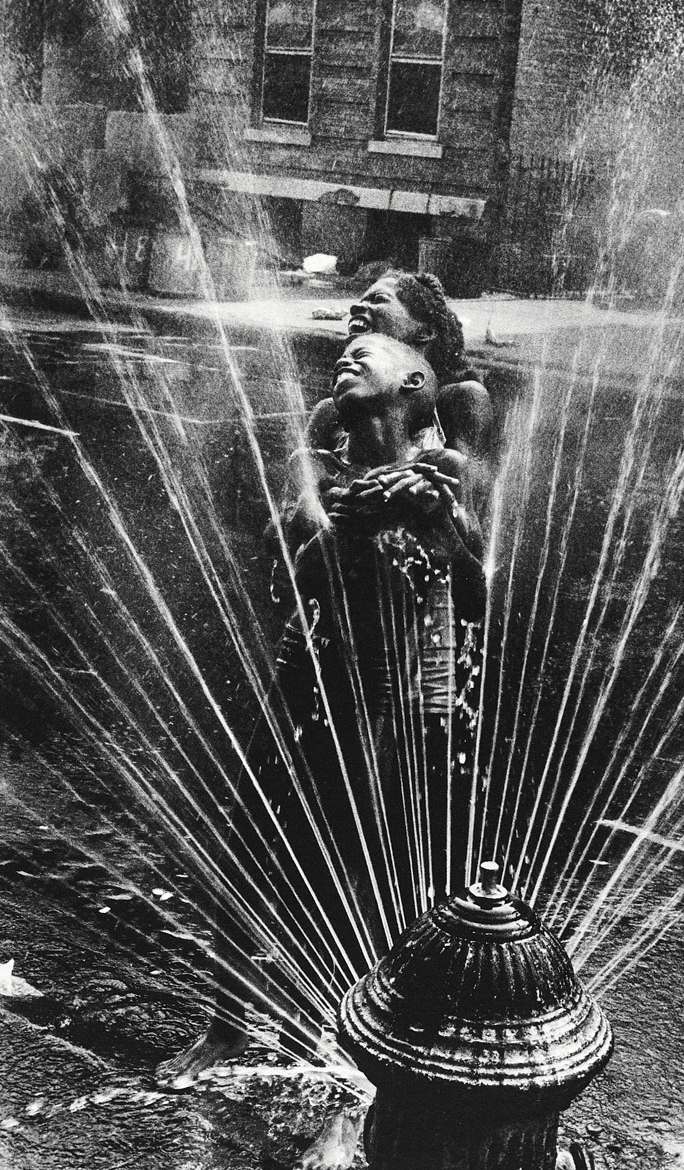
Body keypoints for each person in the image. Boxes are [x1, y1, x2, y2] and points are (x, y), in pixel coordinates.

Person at [158, 332, 487, 1090]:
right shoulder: (329, 471)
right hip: (305, 689)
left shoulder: (437, 473)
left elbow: (473, 592)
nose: (346, 355)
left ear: (413, 382)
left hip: (392, 711)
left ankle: (344, 1065)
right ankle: (226, 1025)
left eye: (365, 350)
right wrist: (342, 519)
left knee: (358, 874)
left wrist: (437, 522)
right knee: (247, 850)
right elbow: (286, 562)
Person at [308, 271, 492, 497]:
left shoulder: (459, 398)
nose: (356, 307)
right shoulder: (331, 411)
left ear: (424, 331)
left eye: (377, 299)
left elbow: (472, 488)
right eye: (360, 300)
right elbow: (289, 508)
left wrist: (428, 484)